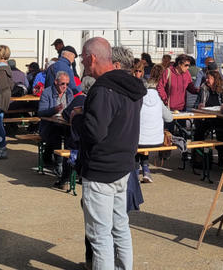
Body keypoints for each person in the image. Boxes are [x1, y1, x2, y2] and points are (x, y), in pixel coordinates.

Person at [79, 37, 146, 270]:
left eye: (83, 58)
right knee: (119, 227)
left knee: (101, 236)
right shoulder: (130, 85)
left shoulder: (103, 88)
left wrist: (77, 118)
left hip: (102, 170)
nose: (83, 63)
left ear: (91, 58)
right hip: (123, 166)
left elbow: (94, 132)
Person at [136, 68, 172, 183]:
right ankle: (146, 171)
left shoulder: (137, 100)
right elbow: (169, 118)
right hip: (157, 140)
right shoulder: (158, 99)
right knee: (144, 141)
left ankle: (136, 172)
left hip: (140, 140)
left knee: (138, 141)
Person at [38, 70, 73, 177]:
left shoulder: (69, 93)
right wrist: (54, 109)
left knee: (72, 134)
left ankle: (69, 164)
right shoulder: (47, 92)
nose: (65, 86)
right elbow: (40, 112)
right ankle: (58, 165)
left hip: (65, 123)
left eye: (67, 84)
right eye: (63, 83)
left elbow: (71, 109)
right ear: (56, 82)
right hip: (49, 125)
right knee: (56, 132)